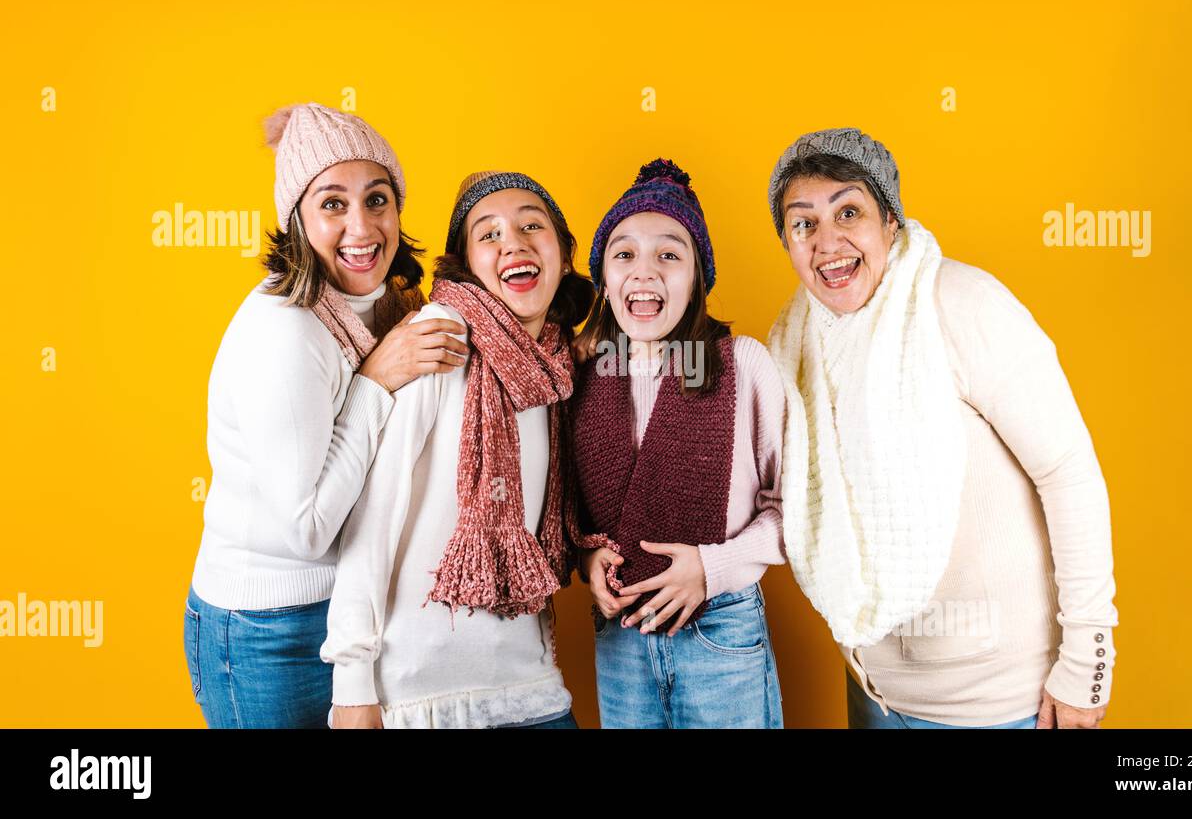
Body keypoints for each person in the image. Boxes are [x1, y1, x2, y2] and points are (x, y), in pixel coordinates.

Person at [765, 128, 1119, 729]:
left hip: (999, 707)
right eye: (803, 224)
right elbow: (780, 501)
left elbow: (1069, 474)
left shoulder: (960, 303)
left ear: (891, 222)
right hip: (875, 693)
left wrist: (1088, 662)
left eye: (848, 212)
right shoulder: (792, 344)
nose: (827, 242)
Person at [184, 103, 467, 728]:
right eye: (332, 203)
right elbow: (307, 530)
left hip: (349, 613)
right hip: (267, 632)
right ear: (297, 220)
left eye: (377, 199)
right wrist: (375, 381)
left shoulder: (382, 303)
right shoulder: (286, 331)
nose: (361, 227)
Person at [322, 171, 597, 729]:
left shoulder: (556, 365)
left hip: (529, 686)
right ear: (466, 266)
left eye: (531, 226)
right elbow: (373, 516)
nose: (513, 243)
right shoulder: (441, 336)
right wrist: (351, 685)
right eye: (488, 234)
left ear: (564, 255)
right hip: (419, 697)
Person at [572, 159, 786, 728]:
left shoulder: (742, 365)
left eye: (669, 255)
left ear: (696, 280)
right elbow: (568, 511)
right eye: (624, 254)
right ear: (603, 280)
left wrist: (713, 567)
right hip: (621, 636)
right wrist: (588, 558)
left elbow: (796, 508)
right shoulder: (584, 375)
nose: (644, 271)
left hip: (720, 627)